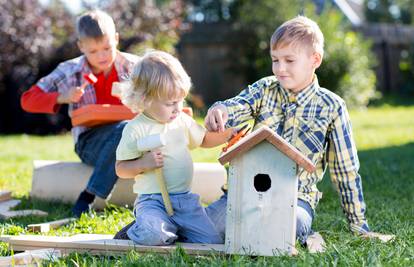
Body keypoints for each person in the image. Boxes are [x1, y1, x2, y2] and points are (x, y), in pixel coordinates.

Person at [204, 15, 391, 246]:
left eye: (289, 60)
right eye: (275, 60)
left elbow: (346, 171)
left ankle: (301, 233)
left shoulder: (331, 107)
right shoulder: (264, 89)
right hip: (244, 194)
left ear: (315, 59)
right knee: (206, 232)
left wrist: (359, 225)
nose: (280, 69)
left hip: (295, 200)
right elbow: (238, 105)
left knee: (285, 231)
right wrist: (221, 109)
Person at [20, 10, 139, 217]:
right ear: (81, 46)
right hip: (89, 142)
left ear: (117, 39)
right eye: (93, 51)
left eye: (107, 48)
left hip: (137, 139)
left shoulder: (136, 67)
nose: (101, 56)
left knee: (133, 131)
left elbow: (167, 93)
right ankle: (89, 196)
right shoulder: (70, 70)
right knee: (124, 130)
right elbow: (27, 100)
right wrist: (61, 97)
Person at [115, 50, 234, 245]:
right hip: (153, 202)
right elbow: (121, 169)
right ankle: (136, 230)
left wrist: (227, 135)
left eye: (180, 100)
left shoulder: (182, 121)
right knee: (155, 235)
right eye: (171, 103)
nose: (178, 108)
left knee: (212, 241)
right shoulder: (135, 129)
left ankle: (172, 228)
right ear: (145, 99)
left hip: (184, 201)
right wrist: (143, 163)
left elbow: (203, 139)